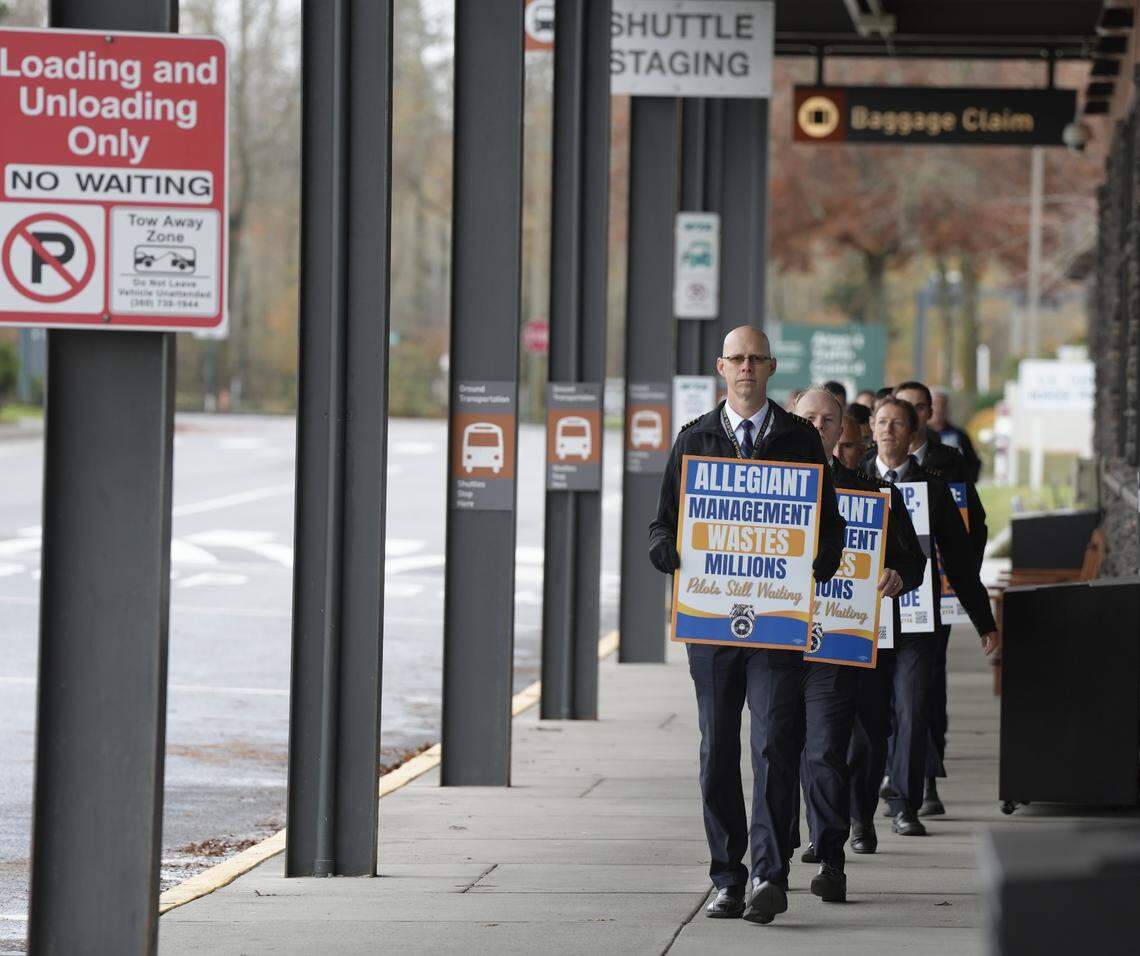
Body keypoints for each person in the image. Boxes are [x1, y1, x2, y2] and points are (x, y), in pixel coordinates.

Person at [648, 327, 845, 925]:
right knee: (715, 753)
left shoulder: (801, 442)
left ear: (771, 367)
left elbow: (830, 530)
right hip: (711, 625)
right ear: (721, 367)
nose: (746, 368)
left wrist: (815, 562)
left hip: (778, 625)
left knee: (772, 745)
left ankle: (767, 873)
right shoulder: (694, 440)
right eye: (737, 359)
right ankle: (726, 876)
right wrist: (670, 554)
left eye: (756, 359)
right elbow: (662, 526)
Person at [791, 388, 926, 867]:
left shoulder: (874, 495)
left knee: (866, 736)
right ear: (792, 421)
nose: (820, 430)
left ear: (852, 439)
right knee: (811, 743)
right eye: (808, 419)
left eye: (831, 424)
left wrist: (900, 575)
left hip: (860, 636)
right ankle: (819, 832)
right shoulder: (772, 483)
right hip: (790, 638)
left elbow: (913, 560)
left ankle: (862, 817)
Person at [856, 397, 999, 836]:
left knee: (915, 711)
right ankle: (859, 815)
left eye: (897, 423)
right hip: (863, 623)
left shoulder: (932, 489)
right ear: (872, 429)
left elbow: (958, 562)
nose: (887, 430)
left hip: (918, 624)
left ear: (913, 431)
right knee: (868, 721)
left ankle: (905, 803)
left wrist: (985, 623)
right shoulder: (853, 479)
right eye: (881, 422)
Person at [891, 381, 987, 814]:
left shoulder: (947, 464)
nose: (904, 421)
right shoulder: (867, 473)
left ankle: (925, 777)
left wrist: (963, 589)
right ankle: (897, 774)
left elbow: (972, 526)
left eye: (914, 410)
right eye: (894, 413)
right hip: (879, 605)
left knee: (925, 689)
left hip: (933, 599)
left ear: (926, 416)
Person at [929, 386, 982, 483]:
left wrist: (967, 481)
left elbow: (973, 462)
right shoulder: (918, 435)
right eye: (935, 404)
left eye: (943, 405)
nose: (939, 409)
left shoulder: (959, 435)